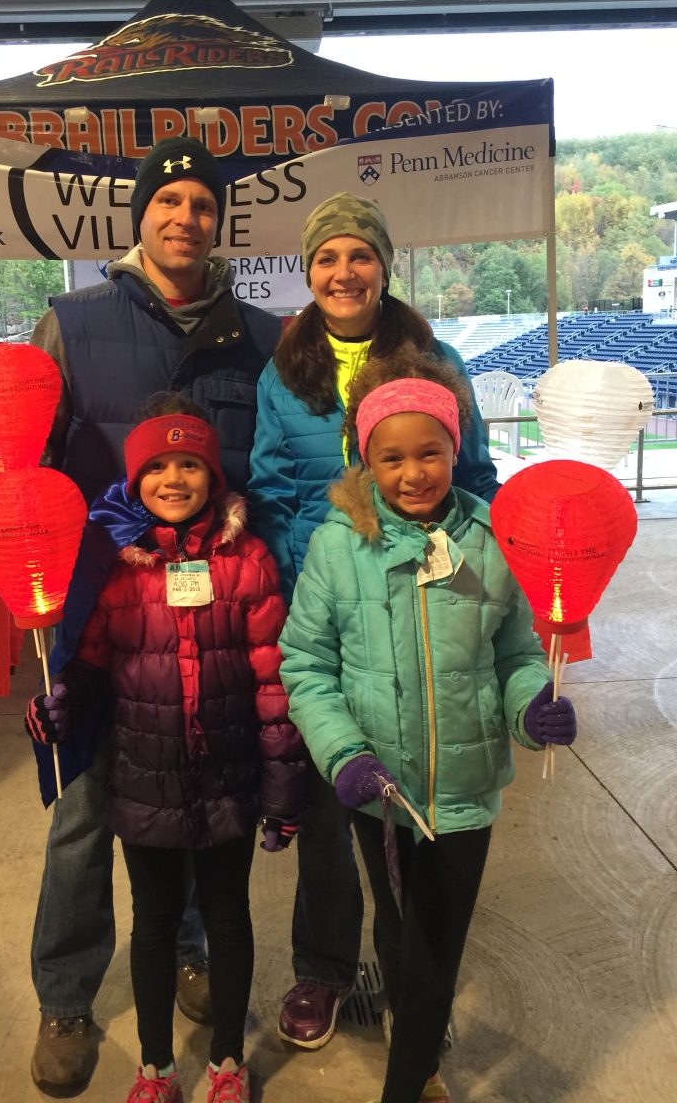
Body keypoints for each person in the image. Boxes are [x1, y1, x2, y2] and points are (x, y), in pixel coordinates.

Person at [28, 137, 281, 1096]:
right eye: (168, 201)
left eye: (203, 204)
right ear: (140, 217)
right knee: (87, 808)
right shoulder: (73, 322)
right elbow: (34, 476)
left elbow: (269, 466)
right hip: (104, 613)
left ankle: (185, 951)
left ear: (220, 223)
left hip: (212, 614)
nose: (186, 217)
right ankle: (64, 991)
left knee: (194, 792)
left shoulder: (260, 338)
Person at [278, 354, 578, 1103]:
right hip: (377, 786)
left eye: (430, 453)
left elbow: (511, 648)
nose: (413, 472)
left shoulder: (487, 540)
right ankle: (420, 1048)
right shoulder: (336, 547)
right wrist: (341, 751)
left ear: (455, 449)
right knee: (397, 920)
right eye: (392, 457)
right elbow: (305, 663)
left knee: (438, 939)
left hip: (466, 786)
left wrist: (531, 703)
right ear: (365, 459)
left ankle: (407, 1081)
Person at [247, 192, 500, 1048]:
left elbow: (477, 478)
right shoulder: (285, 370)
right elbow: (273, 485)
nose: (342, 272)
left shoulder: (437, 358)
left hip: (428, 602)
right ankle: (321, 968)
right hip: (335, 600)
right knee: (332, 804)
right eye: (326, 258)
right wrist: (314, 577)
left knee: (421, 804)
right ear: (308, 271)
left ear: (384, 266)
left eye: (359, 256)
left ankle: (413, 988)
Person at [26, 398, 306, 1103]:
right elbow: (91, 663)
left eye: (190, 464)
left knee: (227, 917)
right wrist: (61, 705)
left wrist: (282, 788)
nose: (174, 479)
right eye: (156, 466)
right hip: (143, 782)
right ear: (134, 478)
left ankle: (227, 1064)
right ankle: (155, 1067)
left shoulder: (247, 563)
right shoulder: (120, 568)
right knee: (151, 924)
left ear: (213, 476)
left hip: (228, 777)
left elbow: (274, 681)